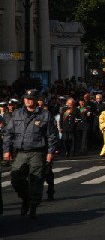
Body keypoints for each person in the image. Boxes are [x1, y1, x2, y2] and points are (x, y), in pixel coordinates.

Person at [2, 89, 59, 218]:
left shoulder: (44, 115)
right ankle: (26, 198)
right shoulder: (17, 114)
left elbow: (52, 135)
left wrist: (50, 153)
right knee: (15, 178)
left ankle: (33, 205)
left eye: (31, 98)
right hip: (21, 152)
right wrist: (6, 150)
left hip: (37, 152)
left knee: (36, 179)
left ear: (36, 100)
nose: (28, 100)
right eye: (26, 98)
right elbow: (8, 133)